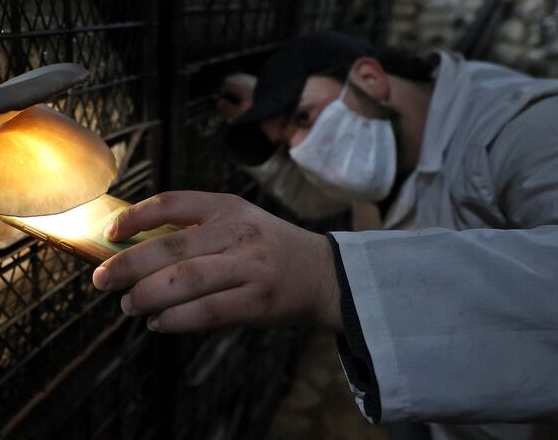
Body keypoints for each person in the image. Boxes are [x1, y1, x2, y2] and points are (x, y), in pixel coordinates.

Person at [90, 32, 558, 440]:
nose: (301, 151)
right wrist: (272, 137)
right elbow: (316, 196)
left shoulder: (529, 130)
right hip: (435, 403)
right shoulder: (382, 141)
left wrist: (326, 275)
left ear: (371, 78)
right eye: (284, 144)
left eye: (303, 118)